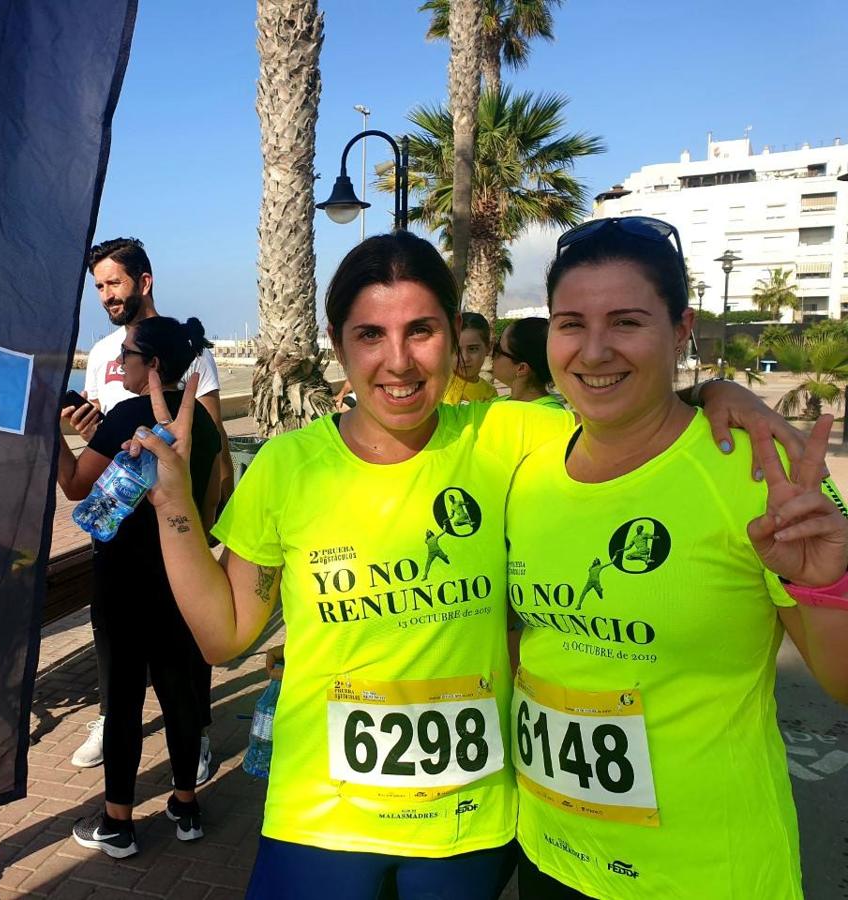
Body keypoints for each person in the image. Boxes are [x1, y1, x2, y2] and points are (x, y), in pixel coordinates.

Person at [124, 232, 799, 899]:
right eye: (369, 336)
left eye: (421, 331)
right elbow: (226, 635)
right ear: (337, 342)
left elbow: (635, 412)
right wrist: (174, 507)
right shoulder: (287, 467)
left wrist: (716, 394)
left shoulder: (513, 437)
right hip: (321, 818)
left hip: (468, 828)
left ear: (453, 335)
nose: (398, 362)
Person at [504, 216, 848, 899]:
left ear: (681, 330)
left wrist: (827, 584)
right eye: (571, 324)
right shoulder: (528, 472)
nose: (594, 351)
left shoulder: (758, 468)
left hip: (704, 872)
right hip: (550, 855)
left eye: (627, 322)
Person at [57, 316, 223, 859]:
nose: (118, 363)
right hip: (181, 573)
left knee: (124, 696)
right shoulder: (197, 417)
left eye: (127, 355)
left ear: (152, 365)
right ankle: (185, 805)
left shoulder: (129, 414)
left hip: (123, 577)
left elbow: (76, 484)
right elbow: (215, 487)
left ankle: (118, 821)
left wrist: (49, 433)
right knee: (179, 690)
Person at [66, 237, 227, 775]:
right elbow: (98, 429)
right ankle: (114, 722)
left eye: (114, 283)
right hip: (115, 519)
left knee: (182, 648)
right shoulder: (105, 356)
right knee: (119, 648)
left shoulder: (186, 346)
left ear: (144, 281)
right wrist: (85, 428)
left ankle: (195, 735)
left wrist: (201, 527)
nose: (106, 295)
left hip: (173, 527)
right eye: (99, 287)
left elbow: (210, 441)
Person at [490, 317, 565, 410]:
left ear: (521, 368)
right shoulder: (496, 403)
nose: (491, 354)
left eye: (498, 349)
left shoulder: (550, 414)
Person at [443, 311, 498, 405]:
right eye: (456, 350)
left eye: (473, 349)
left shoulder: (490, 393)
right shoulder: (439, 385)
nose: (464, 358)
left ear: (488, 348)